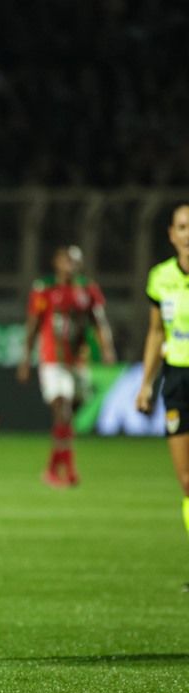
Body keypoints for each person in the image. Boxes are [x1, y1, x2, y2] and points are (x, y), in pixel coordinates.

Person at [17, 245, 116, 487]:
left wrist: (106, 349)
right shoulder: (45, 289)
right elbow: (33, 325)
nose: (71, 265)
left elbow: (98, 322)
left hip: (77, 361)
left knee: (67, 417)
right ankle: (69, 471)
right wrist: (25, 360)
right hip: (52, 360)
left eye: (75, 261)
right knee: (62, 411)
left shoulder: (87, 290)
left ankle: (52, 468)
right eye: (67, 260)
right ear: (57, 262)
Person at [136, 203, 189, 590]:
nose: (188, 234)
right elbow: (156, 332)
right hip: (176, 381)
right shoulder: (161, 278)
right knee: (187, 481)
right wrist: (146, 383)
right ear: (171, 234)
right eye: (182, 227)